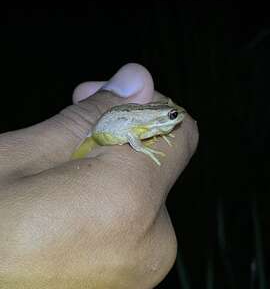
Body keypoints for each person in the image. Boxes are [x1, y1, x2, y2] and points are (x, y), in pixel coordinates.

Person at [0, 63, 199, 288]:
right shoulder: (149, 123)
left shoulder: (155, 124)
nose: (177, 118)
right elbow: (134, 132)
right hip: (108, 131)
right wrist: (143, 148)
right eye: (172, 114)